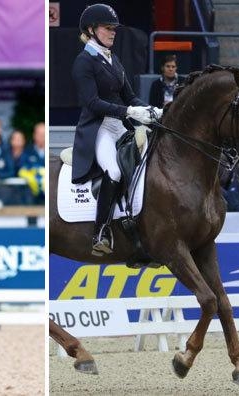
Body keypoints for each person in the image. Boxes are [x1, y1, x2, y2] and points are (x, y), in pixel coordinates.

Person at [71, 4, 162, 256]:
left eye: (114, 29)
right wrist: (129, 113)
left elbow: (130, 96)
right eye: (107, 28)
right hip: (98, 127)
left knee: (147, 163)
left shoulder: (113, 59)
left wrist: (153, 110)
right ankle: (100, 231)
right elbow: (92, 103)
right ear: (91, 30)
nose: (113, 33)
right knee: (113, 170)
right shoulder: (84, 61)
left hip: (119, 125)